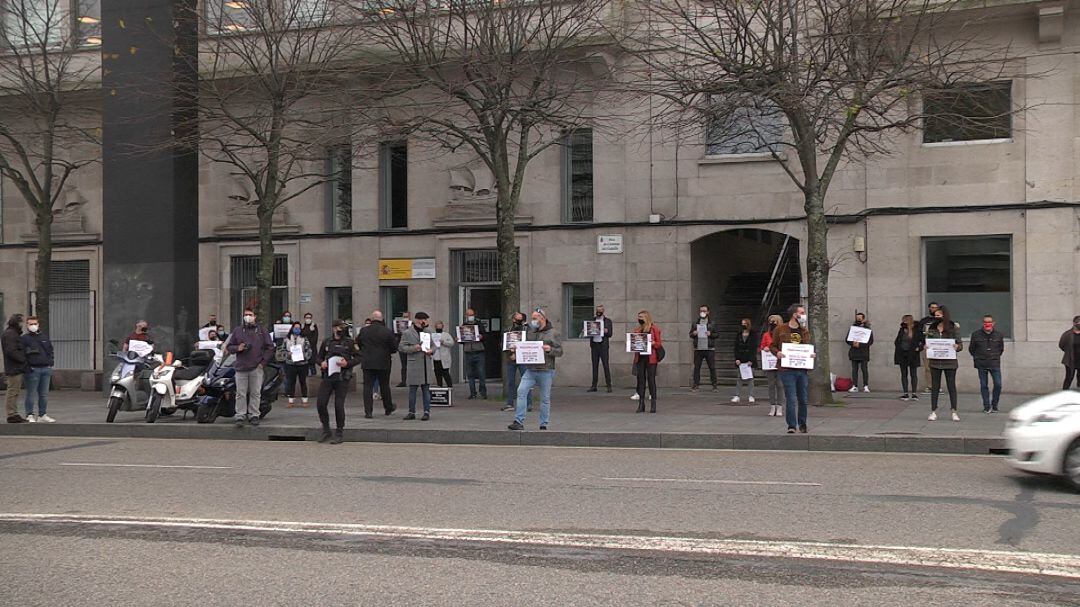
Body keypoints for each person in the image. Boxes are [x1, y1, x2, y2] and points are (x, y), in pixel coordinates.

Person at [507, 309, 563, 430]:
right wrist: (516, 350)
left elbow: (560, 352)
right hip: (531, 369)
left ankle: (543, 423)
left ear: (542, 318)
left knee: (545, 398)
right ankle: (518, 421)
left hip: (546, 370)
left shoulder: (553, 333)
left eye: (535, 318)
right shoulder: (530, 332)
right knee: (521, 392)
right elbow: (525, 347)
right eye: (532, 318)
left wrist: (550, 350)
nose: (533, 321)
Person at [224, 308, 275, 427]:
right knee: (240, 393)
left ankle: (254, 415)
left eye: (250, 315)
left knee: (255, 393)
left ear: (255, 316)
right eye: (246, 314)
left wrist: (263, 363)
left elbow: (270, 347)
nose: (248, 317)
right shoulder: (238, 330)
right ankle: (240, 415)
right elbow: (230, 347)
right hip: (241, 366)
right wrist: (238, 348)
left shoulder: (261, 331)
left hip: (256, 366)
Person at [315, 319, 360, 444]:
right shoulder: (327, 341)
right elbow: (318, 357)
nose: (340, 330)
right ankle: (326, 429)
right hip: (328, 376)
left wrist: (347, 363)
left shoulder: (350, 342)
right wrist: (321, 363)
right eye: (338, 327)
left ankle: (339, 432)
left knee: (338, 406)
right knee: (321, 403)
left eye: (342, 327)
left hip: (342, 377)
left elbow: (359, 357)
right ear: (334, 328)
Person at [771, 303, 812, 434]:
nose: (803, 315)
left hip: (801, 368)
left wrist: (810, 354)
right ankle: (791, 425)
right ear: (795, 315)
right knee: (791, 398)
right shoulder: (780, 329)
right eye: (801, 313)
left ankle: (803, 423)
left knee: (803, 398)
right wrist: (777, 352)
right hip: (787, 369)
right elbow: (773, 345)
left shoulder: (804, 330)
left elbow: (807, 346)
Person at [925, 305, 964, 422]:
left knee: (951, 386)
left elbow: (960, 345)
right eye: (935, 315)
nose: (937, 317)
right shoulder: (931, 328)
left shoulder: (953, 327)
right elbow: (929, 342)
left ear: (944, 315)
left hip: (950, 362)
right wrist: (926, 346)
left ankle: (954, 411)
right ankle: (933, 411)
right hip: (935, 361)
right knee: (935, 387)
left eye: (939, 315)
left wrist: (957, 347)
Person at [357, 310, 397, 417]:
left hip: (368, 362)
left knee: (367, 387)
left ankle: (368, 411)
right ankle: (388, 407)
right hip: (383, 362)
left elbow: (358, 343)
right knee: (384, 385)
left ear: (372, 319)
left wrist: (365, 351)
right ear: (381, 319)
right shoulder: (387, 331)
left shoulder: (364, 331)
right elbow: (394, 347)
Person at [399, 311, 436, 421]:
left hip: (425, 363)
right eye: (423, 319)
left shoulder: (428, 331)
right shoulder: (407, 332)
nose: (424, 322)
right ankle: (411, 411)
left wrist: (431, 350)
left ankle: (426, 411)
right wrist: (414, 348)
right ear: (417, 320)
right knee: (413, 390)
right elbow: (401, 347)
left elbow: (434, 345)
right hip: (414, 363)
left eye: (425, 320)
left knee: (426, 389)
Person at [21, 316, 55, 423]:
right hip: (33, 369)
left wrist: (50, 363)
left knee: (44, 394)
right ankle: (29, 414)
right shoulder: (24, 339)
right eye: (30, 324)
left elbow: (50, 350)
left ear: (38, 324)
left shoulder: (44, 337)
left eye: (34, 323)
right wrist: (27, 367)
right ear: (27, 325)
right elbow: (22, 354)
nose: (33, 326)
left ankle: (42, 414)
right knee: (31, 393)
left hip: (45, 368)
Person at [969, 315, 1005, 413]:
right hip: (981, 363)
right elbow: (972, 349)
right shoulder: (976, 334)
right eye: (985, 322)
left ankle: (995, 405)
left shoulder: (999, 335)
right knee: (984, 385)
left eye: (989, 322)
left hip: (994, 363)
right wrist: (978, 358)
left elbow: (1001, 349)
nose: (987, 324)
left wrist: (995, 356)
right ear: (982, 323)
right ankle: (986, 406)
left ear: (993, 323)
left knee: (998, 384)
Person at [502, 311, 532, 413]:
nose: (516, 319)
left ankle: (528, 403)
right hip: (511, 359)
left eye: (518, 317)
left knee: (526, 380)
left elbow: (530, 342)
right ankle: (510, 403)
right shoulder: (509, 329)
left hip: (523, 358)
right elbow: (505, 343)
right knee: (510, 381)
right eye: (515, 317)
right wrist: (511, 353)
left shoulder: (527, 329)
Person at [633, 310, 663, 413]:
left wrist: (653, 342)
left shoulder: (654, 329)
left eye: (641, 317)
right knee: (641, 380)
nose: (639, 319)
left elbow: (659, 344)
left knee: (651, 380)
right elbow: (634, 343)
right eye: (638, 317)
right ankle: (641, 404)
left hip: (651, 358)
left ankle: (653, 404)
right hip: (640, 358)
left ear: (646, 317)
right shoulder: (637, 330)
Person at [3, 314, 28, 423]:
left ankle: (13, 413)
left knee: (15, 391)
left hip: (15, 366)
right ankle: (11, 414)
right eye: (21, 322)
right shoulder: (10, 334)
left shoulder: (12, 333)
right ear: (17, 323)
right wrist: (22, 359)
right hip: (14, 367)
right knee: (13, 391)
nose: (22, 324)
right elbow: (11, 351)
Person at [759, 314, 785, 417]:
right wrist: (764, 348)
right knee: (771, 385)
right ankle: (772, 405)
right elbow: (761, 346)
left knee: (779, 384)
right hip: (769, 363)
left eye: (774, 321)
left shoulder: (782, 334)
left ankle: (779, 406)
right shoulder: (766, 335)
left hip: (779, 362)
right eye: (770, 321)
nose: (772, 323)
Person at [283, 322, 313, 408]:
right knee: (291, 382)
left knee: (303, 381)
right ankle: (291, 400)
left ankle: (304, 400)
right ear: (292, 328)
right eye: (295, 328)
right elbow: (282, 350)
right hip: (290, 363)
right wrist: (287, 354)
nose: (297, 329)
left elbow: (309, 350)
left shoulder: (304, 338)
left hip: (302, 364)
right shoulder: (287, 338)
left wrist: (304, 356)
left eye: (299, 328)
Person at [893, 314, 923, 401]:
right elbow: (897, 340)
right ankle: (905, 393)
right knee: (904, 374)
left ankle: (914, 393)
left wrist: (919, 348)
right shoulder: (902, 329)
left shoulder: (917, 330)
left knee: (913, 374)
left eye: (905, 321)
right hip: (902, 354)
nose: (903, 322)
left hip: (913, 354)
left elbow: (923, 341)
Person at [689, 304, 718, 393]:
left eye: (704, 311)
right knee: (697, 367)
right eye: (701, 311)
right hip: (698, 348)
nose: (702, 312)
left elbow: (717, 334)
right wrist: (693, 334)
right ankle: (696, 384)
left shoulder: (712, 323)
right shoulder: (695, 323)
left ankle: (714, 384)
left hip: (709, 348)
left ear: (708, 312)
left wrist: (711, 334)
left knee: (712, 367)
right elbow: (690, 334)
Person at [461, 308, 487, 399]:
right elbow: (462, 340)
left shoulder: (479, 324)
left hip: (479, 350)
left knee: (481, 372)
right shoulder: (464, 325)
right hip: (468, 351)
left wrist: (481, 336)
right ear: (466, 316)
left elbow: (485, 336)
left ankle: (483, 392)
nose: (470, 316)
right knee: (470, 374)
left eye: (471, 315)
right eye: (468, 315)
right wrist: (459, 339)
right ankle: (472, 393)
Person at [588, 304, 613, 393]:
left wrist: (606, 331)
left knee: (605, 365)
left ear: (603, 311)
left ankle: (609, 385)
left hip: (603, 345)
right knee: (595, 365)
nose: (598, 312)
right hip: (594, 345)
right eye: (597, 310)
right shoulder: (592, 320)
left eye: (600, 310)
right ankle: (594, 385)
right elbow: (588, 331)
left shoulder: (608, 321)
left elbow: (610, 333)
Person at [846, 312, 874, 393]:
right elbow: (847, 339)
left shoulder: (867, 329)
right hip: (854, 352)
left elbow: (870, 341)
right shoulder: (852, 328)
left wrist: (860, 344)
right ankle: (855, 385)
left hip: (863, 352)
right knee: (854, 370)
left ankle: (866, 385)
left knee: (864, 369)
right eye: (857, 318)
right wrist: (853, 343)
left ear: (863, 319)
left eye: (859, 318)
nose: (858, 319)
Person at [732, 317, 756, 403]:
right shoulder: (739, 334)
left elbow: (754, 348)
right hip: (740, 359)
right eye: (742, 324)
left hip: (749, 359)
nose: (743, 325)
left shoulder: (753, 334)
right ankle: (737, 395)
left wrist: (751, 360)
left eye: (745, 324)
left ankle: (751, 395)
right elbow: (735, 347)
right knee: (739, 378)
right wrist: (737, 359)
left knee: (750, 378)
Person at [918, 302, 940, 393]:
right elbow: (919, 332)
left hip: (938, 346)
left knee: (938, 367)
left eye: (935, 307)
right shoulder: (924, 320)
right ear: (929, 308)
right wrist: (922, 342)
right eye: (932, 307)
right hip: (927, 346)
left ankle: (937, 386)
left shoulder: (941, 320)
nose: (933, 309)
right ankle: (930, 386)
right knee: (927, 367)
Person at [432, 320, 456, 388]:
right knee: (437, 374)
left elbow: (451, 343)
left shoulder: (446, 334)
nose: (438, 327)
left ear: (442, 326)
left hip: (444, 357)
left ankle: (450, 387)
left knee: (446, 373)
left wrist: (443, 342)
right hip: (435, 357)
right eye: (437, 326)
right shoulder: (433, 334)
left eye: (440, 325)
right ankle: (439, 387)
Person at [1060, 316, 1080, 390]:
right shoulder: (1067, 334)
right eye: (1078, 323)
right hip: (1070, 359)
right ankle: (1064, 393)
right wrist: (1068, 352)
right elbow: (1061, 345)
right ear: (1074, 323)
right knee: (1069, 377)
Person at [395, 311, 411, 387]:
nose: (405, 318)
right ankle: (403, 381)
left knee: (411, 365)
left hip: (410, 347)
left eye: (406, 316)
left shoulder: (412, 325)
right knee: (403, 365)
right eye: (404, 316)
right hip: (402, 347)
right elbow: (396, 336)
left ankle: (411, 381)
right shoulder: (399, 325)